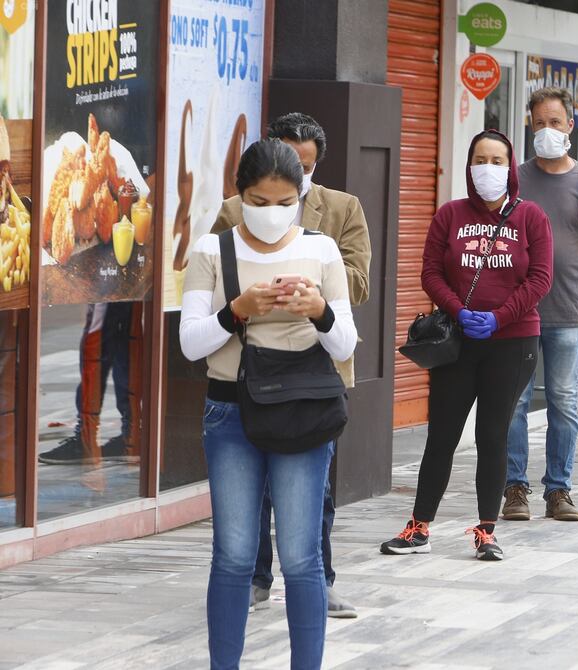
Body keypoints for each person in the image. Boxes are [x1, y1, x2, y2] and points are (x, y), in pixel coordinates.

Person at [179, 139, 359, 669]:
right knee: (233, 556)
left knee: (302, 558)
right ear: (240, 195)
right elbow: (191, 343)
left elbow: (345, 345)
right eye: (260, 201)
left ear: (301, 197)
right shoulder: (212, 250)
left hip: (303, 409)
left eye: (285, 202)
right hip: (229, 411)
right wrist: (237, 310)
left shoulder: (322, 250)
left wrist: (319, 310)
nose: (273, 213)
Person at [212, 113, 372, 618]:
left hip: (315, 369)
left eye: (305, 167)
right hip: (250, 370)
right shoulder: (232, 211)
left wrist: (309, 280)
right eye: (287, 161)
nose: (294, 175)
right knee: (250, 488)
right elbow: (214, 282)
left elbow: (359, 282)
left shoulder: (342, 209)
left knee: (314, 489)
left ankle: (318, 581)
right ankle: (254, 578)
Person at [380, 130, 552, 560]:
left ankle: (487, 531)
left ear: (510, 168)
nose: (487, 168)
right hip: (457, 342)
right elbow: (430, 273)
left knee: (492, 435)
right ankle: (419, 527)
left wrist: (499, 317)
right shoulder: (450, 214)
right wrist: (458, 311)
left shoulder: (531, 216)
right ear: (469, 165)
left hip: (513, 341)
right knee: (442, 434)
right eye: (480, 160)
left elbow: (540, 279)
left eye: (497, 161)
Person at [502, 88, 578, 524]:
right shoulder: (514, 179)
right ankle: (515, 488)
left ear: (571, 125)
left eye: (555, 122)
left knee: (565, 403)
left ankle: (559, 489)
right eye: (539, 123)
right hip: (518, 311)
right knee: (514, 402)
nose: (547, 130)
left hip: (569, 309)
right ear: (529, 127)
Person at [37, 303, 138, 465]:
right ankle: (130, 436)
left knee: (99, 343)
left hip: (110, 291)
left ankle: (87, 439)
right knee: (127, 338)